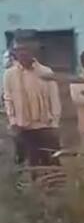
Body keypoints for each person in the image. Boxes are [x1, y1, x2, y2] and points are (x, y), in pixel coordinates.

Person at [2, 31, 61, 166]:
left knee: (51, 164)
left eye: (25, 49)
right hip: (23, 128)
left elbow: (54, 100)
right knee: (31, 165)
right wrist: (13, 121)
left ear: (33, 50)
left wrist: (54, 124)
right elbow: (8, 99)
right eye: (18, 50)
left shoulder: (46, 72)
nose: (22, 53)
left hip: (45, 127)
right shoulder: (9, 75)